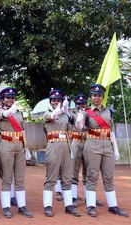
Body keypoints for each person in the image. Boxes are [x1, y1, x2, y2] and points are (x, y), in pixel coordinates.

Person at [76, 84, 129, 217]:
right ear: (91, 97)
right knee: (92, 175)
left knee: (109, 177)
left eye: (99, 95)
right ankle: (91, 206)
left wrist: (115, 149)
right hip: (92, 145)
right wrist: (78, 120)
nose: (97, 98)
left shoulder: (108, 112)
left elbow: (111, 132)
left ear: (102, 97)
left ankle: (113, 206)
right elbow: (80, 126)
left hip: (107, 145)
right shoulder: (85, 112)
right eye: (94, 95)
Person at [42, 89, 80, 217]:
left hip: (66, 146)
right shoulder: (47, 113)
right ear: (50, 101)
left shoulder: (66, 115)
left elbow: (77, 125)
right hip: (53, 146)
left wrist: (68, 111)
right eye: (53, 100)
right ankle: (47, 206)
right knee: (51, 177)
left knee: (67, 177)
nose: (55, 102)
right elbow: (50, 117)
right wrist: (56, 112)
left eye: (58, 100)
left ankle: (68, 206)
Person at [0, 87, 33, 218]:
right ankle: (6, 207)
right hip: (6, 145)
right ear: (3, 100)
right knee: (7, 177)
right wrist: (11, 110)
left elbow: (22, 131)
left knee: (20, 178)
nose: (10, 99)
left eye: (12, 97)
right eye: (7, 97)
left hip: (19, 145)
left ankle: (22, 206)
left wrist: (26, 147)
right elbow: (5, 115)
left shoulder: (19, 113)